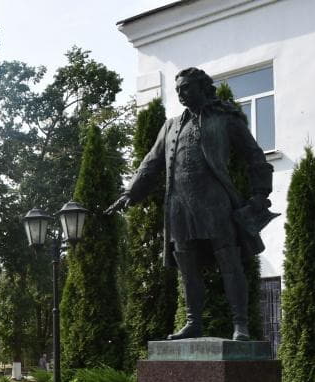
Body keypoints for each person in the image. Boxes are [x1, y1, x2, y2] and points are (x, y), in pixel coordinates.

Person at [108, 66, 276, 342]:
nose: (181, 94)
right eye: (177, 90)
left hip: (216, 203)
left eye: (186, 88)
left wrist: (260, 195)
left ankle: (240, 324)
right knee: (187, 269)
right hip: (179, 207)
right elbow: (150, 163)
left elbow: (255, 156)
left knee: (230, 263)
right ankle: (193, 322)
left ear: (202, 87)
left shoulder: (225, 119)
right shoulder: (171, 126)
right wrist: (131, 193)